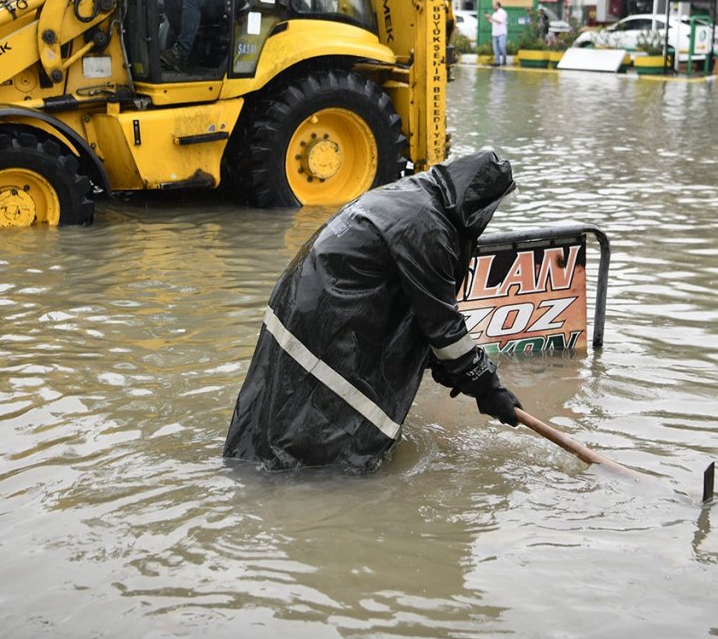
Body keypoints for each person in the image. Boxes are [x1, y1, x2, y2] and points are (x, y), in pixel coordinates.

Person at [223, 151, 522, 473]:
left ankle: (264, 471)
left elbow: (419, 310)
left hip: (303, 295)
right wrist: (489, 388)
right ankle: (315, 480)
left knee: (290, 399)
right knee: (333, 414)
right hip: (329, 307)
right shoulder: (429, 228)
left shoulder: (414, 195)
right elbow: (442, 325)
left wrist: (445, 365)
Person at [487, 1, 508, 66]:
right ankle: (497, 62)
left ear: (498, 5)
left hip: (501, 33)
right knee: (495, 49)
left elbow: (499, 22)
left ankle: (504, 60)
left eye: (494, 6)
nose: (493, 7)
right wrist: (488, 19)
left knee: (502, 47)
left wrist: (491, 18)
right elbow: (492, 23)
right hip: (495, 34)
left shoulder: (502, 12)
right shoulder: (494, 14)